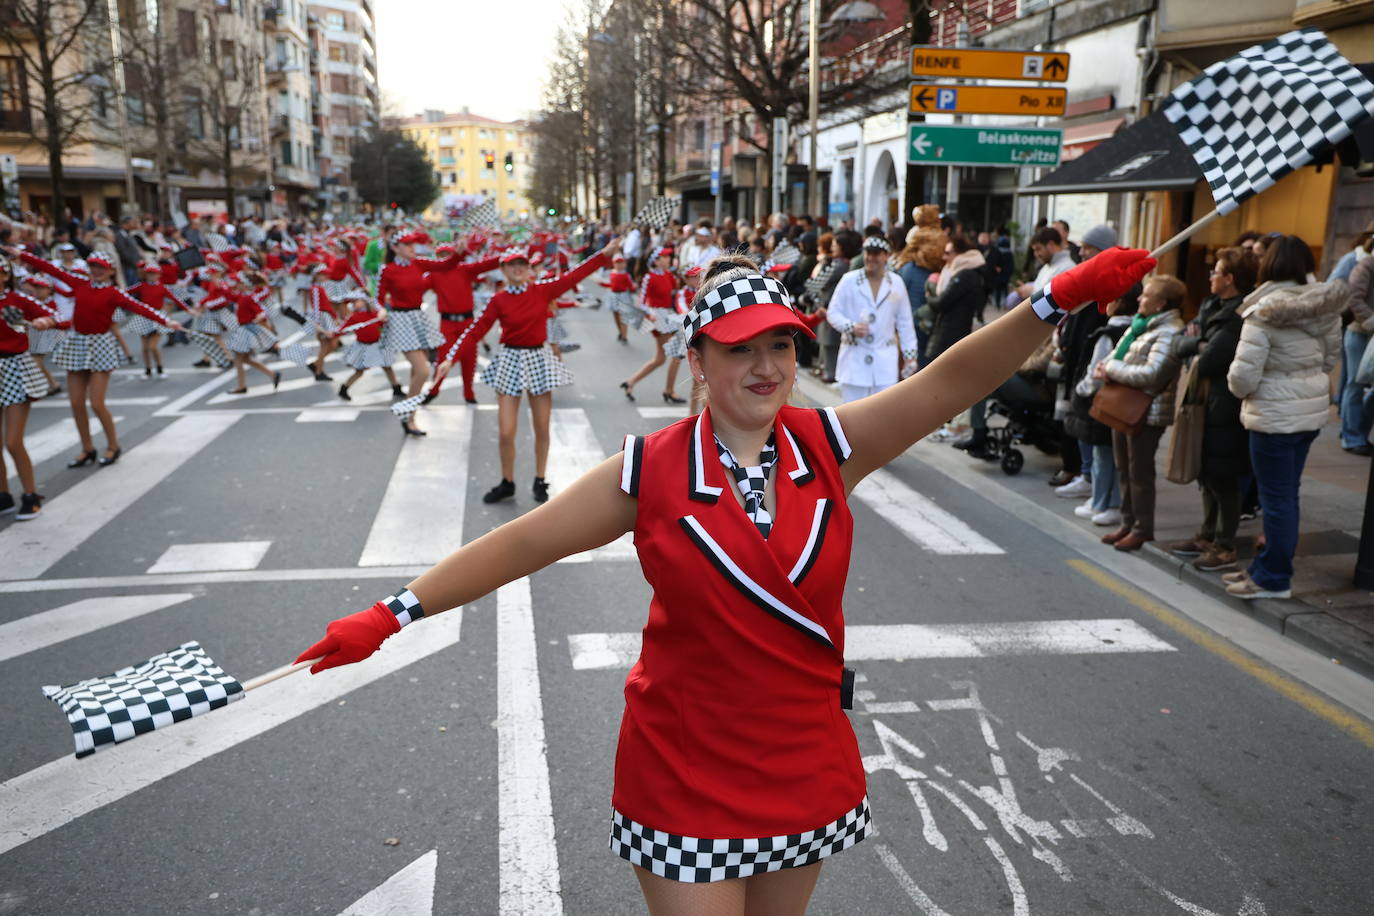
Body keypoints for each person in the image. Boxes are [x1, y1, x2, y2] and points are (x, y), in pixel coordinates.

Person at [293, 246, 1155, 914]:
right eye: (741, 349)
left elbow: (949, 381)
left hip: (801, 753)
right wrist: (392, 611)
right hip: (686, 762)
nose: (768, 366)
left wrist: (1058, 296)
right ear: (697, 362)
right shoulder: (650, 469)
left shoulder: (829, 447)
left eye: (782, 344)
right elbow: (522, 543)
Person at [435, 239, 620, 503]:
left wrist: (603, 255)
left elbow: (575, 275)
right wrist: (450, 359)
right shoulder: (498, 300)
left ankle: (540, 478)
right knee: (506, 431)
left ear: (529, 267)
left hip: (538, 359)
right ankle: (507, 481)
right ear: (503, 269)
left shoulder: (543, 291)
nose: (518, 268)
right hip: (510, 359)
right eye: (512, 265)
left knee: (542, 427)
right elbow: (475, 331)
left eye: (522, 263)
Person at [1225, 235, 1345, 599]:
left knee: (1277, 499)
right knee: (1286, 495)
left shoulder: (1262, 312)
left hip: (1273, 414)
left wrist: (1248, 393)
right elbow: (1329, 359)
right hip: (1308, 413)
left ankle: (1274, 577)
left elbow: (1242, 377)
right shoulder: (1324, 306)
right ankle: (1267, 569)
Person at [13, 248, 183, 466]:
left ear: (111, 271)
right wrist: (21, 255)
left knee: (96, 402)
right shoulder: (79, 283)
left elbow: (140, 307)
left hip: (101, 344)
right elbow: (51, 269)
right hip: (78, 343)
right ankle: (87, 448)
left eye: (101, 267)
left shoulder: (114, 293)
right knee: (75, 403)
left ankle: (113, 445)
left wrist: (166, 321)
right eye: (93, 266)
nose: (96, 270)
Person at [1165, 247, 1258, 572]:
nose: (1210, 277)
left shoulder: (1238, 316)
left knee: (1223, 478)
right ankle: (1206, 534)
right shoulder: (1210, 306)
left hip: (1226, 407)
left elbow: (1209, 360)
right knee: (1206, 473)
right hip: (1204, 404)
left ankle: (1224, 543)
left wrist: (1197, 344)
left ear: (1229, 279)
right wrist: (1196, 343)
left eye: (1215, 272)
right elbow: (1178, 342)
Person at [1096, 275, 1186, 552]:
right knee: (1124, 467)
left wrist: (1111, 370)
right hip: (1125, 405)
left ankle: (1142, 529)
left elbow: (1152, 374)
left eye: (1146, 295)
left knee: (1140, 472)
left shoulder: (1170, 331)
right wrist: (1108, 366)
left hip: (1148, 411)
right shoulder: (1140, 325)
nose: (1139, 299)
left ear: (1160, 304)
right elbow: (1115, 356)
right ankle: (1128, 522)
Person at [377, 231, 458, 435]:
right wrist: (381, 309)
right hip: (400, 320)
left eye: (412, 243)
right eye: (406, 244)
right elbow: (377, 298)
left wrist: (460, 251)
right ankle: (407, 414)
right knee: (422, 371)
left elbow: (446, 265)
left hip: (418, 318)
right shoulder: (388, 270)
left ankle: (410, 416)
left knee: (417, 371)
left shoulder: (418, 263)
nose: (412, 247)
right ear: (395, 248)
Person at [826, 236, 917, 403]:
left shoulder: (896, 283)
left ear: (886, 256)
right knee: (853, 416)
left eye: (875, 254)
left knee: (883, 415)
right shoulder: (849, 280)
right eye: (868, 253)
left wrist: (910, 356)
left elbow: (905, 322)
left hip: (884, 362)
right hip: (854, 361)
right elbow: (833, 312)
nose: (870, 258)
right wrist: (850, 326)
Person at [0, 259, 53, 520]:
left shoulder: (18, 299)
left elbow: (57, 316)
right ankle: (3, 495)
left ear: (5, 275)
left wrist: (43, 321)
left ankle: (30, 495)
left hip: (15, 368)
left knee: (12, 441)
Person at [428, 243, 501, 405]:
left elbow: (486, 265)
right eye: (441, 255)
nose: (445, 257)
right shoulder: (434, 274)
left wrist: (507, 252)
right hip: (447, 322)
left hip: (467, 321)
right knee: (444, 357)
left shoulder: (464, 269)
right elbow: (417, 287)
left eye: (448, 254)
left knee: (469, 357)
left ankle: (469, 392)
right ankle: (434, 389)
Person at [620, 247, 684, 404]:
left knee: (660, 358)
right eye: (664, 257)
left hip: (670, 316)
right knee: (676, 354)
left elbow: (675, 296)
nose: (668, 259)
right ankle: (669, 390)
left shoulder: (669, 275)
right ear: (655, 261)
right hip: (658, 318)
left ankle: (630, 382)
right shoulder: (649, 277)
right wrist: (651, 313)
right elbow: (641, 302)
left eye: (668, 257)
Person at [924, 235, 985, 362]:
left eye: (947, 253)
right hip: (950, 332)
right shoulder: (959, 272)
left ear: (959, 254)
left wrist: (929, 298)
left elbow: (942, 302)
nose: (944, 257)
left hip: (950, 335)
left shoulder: (965, 274)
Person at [125, 262, 191, 379]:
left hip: (157, 317)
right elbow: (124, 293)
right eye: (149, 274)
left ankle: (160, 368)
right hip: (144, 316)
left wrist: (188, 310)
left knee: (153, 347)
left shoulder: (162, 287)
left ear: (159, 275)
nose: (151, 276)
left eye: (154, 274)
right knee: (145, 347)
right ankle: (148, 370)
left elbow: (176, 299)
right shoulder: (141, 285)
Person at [1340, 253, 1374, 455]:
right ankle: (1351, 436)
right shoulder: (1366, 264)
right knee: (1355, 383)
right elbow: (1353, 297)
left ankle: (1359, 432)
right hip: (1359, 333)